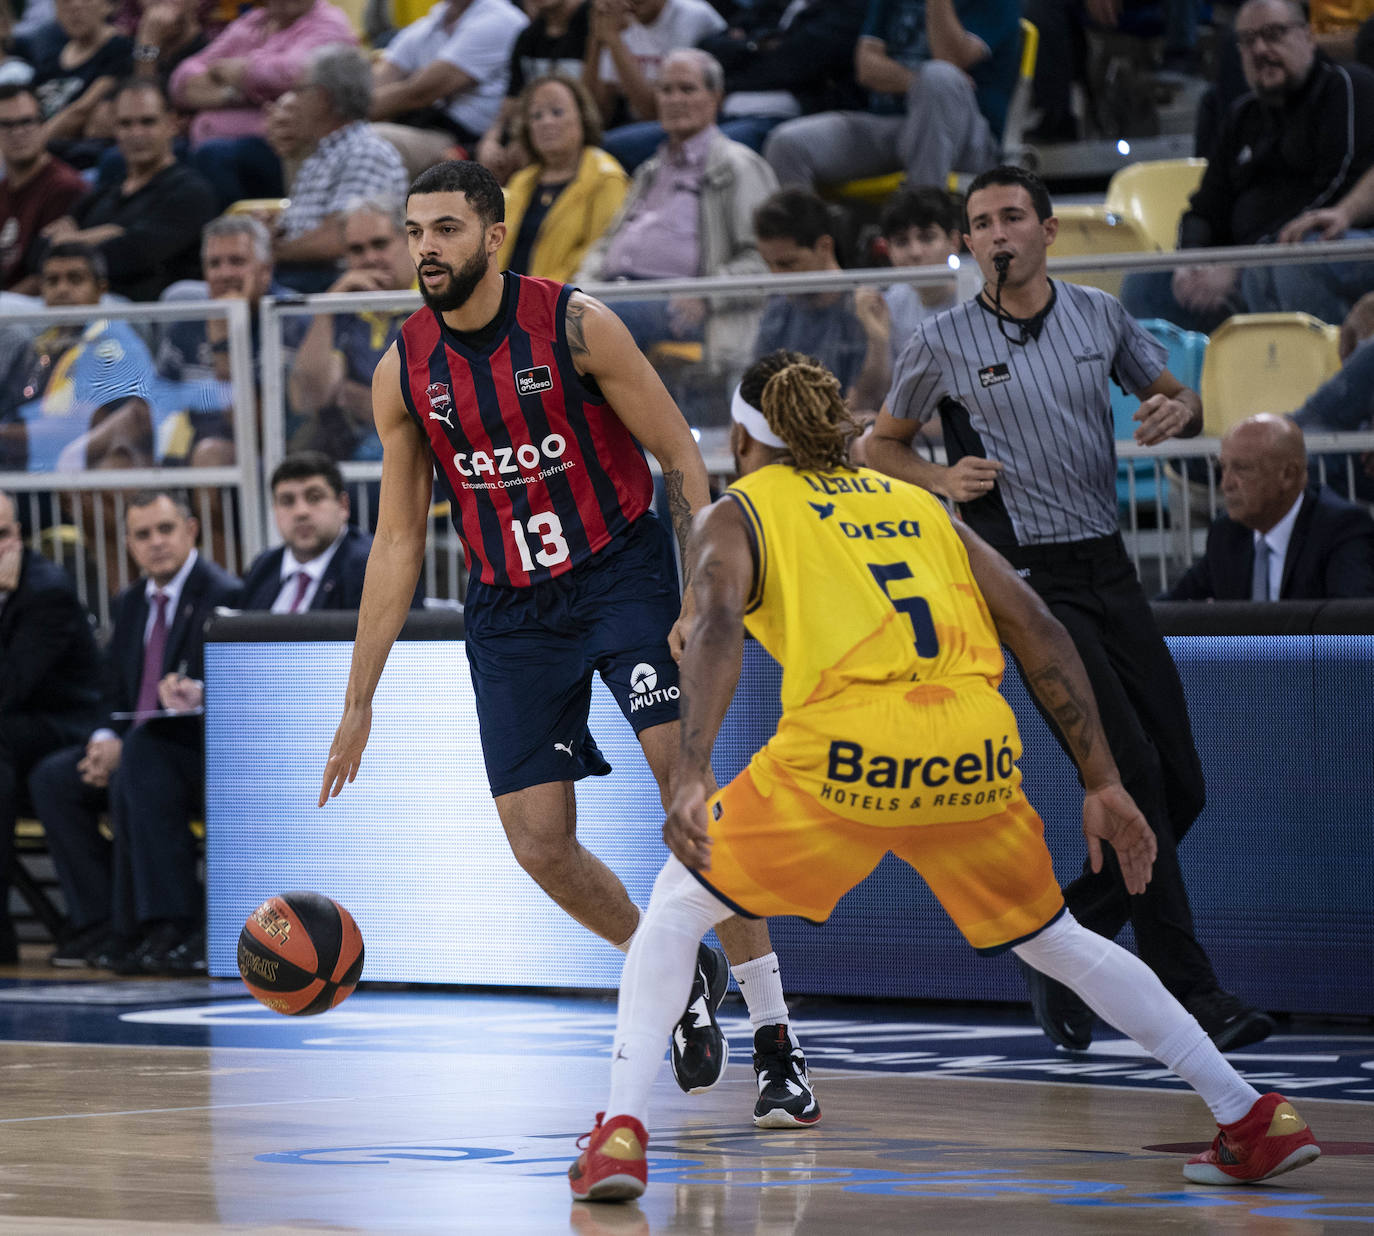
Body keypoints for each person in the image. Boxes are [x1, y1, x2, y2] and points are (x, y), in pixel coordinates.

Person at [566, 354, 1321, 1202]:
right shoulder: (918, 504)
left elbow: (712, 630)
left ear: (743, 439)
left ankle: (622, 1134)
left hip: (848, 753)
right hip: (975, 750)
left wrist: (692, 771)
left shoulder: (742, 511)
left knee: (676, 909)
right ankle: (1249, 1114)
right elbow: (1036, 625)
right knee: (1059, 938)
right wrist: (1104, 781)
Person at [318, 160, 817, 1122]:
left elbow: (680, 456)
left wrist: (697, 599)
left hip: (620, 574)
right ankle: (671, 973)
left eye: (447, 229)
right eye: (416, 230)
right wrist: (359, 696)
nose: (427, 247)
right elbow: (395, 538)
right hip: (509, 609)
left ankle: (777, 1039)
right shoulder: (404, 367)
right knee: (539, 845)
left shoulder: (576, 324)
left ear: (494, 236)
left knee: (691, 801)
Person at [865, 165, 1276, 1053]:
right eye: (981, 222)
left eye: (1013, 215)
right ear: (967, 242)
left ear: (1049, 231)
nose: (998, 232)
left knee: (1184, 786)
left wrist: (1181, 411)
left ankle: (1057, 943)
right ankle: (1195, 997)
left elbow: (1179, 397)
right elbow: (876, 445)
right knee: (1126, 779)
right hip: (1025, 581)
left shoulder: (1099, 314)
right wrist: (940, 478)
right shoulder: (940, 339)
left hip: (1108, 563)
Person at [29, 488, 239, 973]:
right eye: (142, 534)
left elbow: (232, 690)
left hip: (195, 751)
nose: (156, 543)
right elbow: (111, 693)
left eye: (166, 530)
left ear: (192, 530)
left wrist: (194, 693)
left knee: (140, 767)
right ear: (127, 544)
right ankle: (101, 920)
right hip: (136, 744)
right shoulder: (129, 603)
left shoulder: (224, 594)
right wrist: (104, 738)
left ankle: (170, 922)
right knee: (52, 779)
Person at [1123, 0, 1374, 332]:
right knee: (1147, 282)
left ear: (1307, 36)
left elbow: (1335, 192)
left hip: (1330, 245)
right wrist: (1192, 261)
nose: (1260, 49)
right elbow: (1205, 208)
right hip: (1248, 261)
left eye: (1273, 35)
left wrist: (1242, 265)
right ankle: (1183, 383)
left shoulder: (1347, 87)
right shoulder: (1242, 115)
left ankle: (1321, 375)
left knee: (1295, 263)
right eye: (1248, 40)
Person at [574, 49, 775, 375]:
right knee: (553, 311)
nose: (674, 99)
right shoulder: (649, 170)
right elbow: (605, 246)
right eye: (666, 90)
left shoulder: (738, 167)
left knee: (578, 329)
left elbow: (764, 260)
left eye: (687, 89)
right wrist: (582, 290)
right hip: (619, 297)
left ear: (716, 98)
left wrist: (706, 293)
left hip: (683, 308)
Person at [760, 0, 1018, 196]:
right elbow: (866, 66)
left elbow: (948, 58)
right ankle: (811, 254)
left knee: (940, 78)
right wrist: (918, 84)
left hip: (966, 138)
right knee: (787, 146)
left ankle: (923, 225)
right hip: (893, 125)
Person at [0, 489, 103, 962]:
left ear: (17, 535)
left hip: (70, 725)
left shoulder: (47, 591)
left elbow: (9, 688)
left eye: (1, 534)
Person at [1164, 414, 1374, 601]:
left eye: (1242, 469)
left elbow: (1351, 630)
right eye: (1223, 467)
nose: (1226, 484)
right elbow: (1174, 605)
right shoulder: (1227, 532)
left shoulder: (1341, 529)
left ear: (1288, 474)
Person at [43, 77, 217, 301]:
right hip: (78, 305)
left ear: (171, 124)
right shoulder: (104, 192)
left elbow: (135, 254)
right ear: (114, 128)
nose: (136, 133)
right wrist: (108, 234)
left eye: (148, 122)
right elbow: (42, 248)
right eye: (126, 124)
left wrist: (74, 241)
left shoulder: (192, 192)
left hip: (143, 314)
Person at [169, 0, 357, 206]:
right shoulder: (254, 21)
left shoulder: (328, 23)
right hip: (211, 143)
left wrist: (243, 71)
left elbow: (292, 73)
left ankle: (232, 235)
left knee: (213, 155)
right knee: (166, 155)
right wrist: (234, 94)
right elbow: (182, 80)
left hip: (282, 148)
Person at [0, 242, 157, 472]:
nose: (62, 289)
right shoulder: (36, 346)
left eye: (75, 279)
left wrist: (5, 434)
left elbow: (91, 424)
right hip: (21, 469)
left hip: (74, 477)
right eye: (52, 281)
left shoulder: (111, 342)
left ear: (101, 289)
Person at [268, 44, 407, 291]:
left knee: (188, 294)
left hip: (333, 280)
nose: (292, 101)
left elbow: (339, 239)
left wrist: (270, 252)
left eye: (299, 91)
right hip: (302, 276)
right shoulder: (322, 154)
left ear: (322, 98)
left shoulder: (365, 151)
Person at [287, 198, 417, 462]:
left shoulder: (434, 303)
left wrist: (371, 405)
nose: (369, 258)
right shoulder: (342, 309)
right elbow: (308, 397)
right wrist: (327, 308)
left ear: (408, 241)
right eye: (357, 250)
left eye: (380, 244)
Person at [751, 186, 890, 410]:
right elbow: (756, 398)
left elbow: (862, 403)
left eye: (787, 264)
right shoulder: (776, 313)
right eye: (769, 264)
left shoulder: (864, 308)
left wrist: (877, 342)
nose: (776, 276)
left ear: (824, 246)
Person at [237, 452, 421, 610]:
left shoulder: (377, 568)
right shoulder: (264, 567)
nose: (301, 512)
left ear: (343, 506)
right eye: (287, 501)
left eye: (314, 498)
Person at [370, 0, 529, 181]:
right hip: (427, 127)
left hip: (468, 140)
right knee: (353, 137)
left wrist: (343, 117)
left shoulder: (500, 19)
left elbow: (419, 93)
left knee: (371, 141)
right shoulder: (434, 19)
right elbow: (379, 81)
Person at [496, 73, 627, 282]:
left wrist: (539, 295)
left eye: (557, 112)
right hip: (507, 303)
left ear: (582, 117)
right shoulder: (521, 181)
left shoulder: (607, 178)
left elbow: (598, 257)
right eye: (536, 116)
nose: (546, 122)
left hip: (565, 303)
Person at [586, 0, 726, 172]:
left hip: (696, 125)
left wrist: (614, 41)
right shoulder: (618, 20)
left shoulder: (692, 16)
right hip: (642, 123)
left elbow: (660, 111)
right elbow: (596, 113)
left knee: (608, 149)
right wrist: (597, 36)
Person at [475, 0, 590, 184]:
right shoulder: (528, 36)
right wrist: (490, 141)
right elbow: (509, 105)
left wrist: (528, 141)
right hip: (533, 131)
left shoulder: (594, 23)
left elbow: (597, 107)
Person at [0, 82, 87, 295]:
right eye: (6, 124)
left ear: (43, 124)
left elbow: (48, 277)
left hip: (39, 308)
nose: (18, 132)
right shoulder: (3, 189)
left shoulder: (65, 187)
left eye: (27, 121)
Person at [866, 183, 962, 367]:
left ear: (953, 242)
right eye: (902, 242)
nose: (915, 252)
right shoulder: (889, 305)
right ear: (888, 250)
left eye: (927, 238)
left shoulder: (982, 297)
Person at [30, 0, 133, 161]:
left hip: (78, 157)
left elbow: (81, 110)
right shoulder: (51, 56)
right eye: (65, 2)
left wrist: (28, 147)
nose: (74, 8)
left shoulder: (120, 48)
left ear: (107, 6)